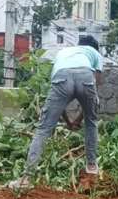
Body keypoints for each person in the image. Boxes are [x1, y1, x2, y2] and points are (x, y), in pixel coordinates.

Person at [10, 34, 103, 190]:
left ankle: (26, 178)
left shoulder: (63, 53)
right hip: (85, 77)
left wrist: (68, 121)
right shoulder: (94, 53)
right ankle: (92, 168)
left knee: (43, 129)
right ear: (94, 48)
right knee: (91, 123)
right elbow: (96, 86)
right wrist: (80, 119)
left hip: (62, 77)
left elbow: (59, 98)